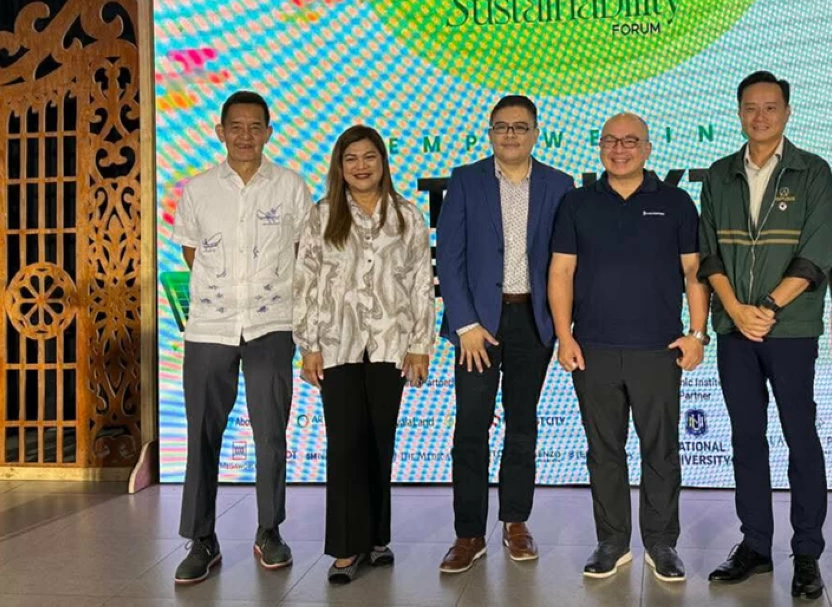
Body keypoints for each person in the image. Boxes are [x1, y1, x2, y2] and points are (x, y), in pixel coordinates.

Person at [549, 113, 709, 582]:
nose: (620, 149)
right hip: (593, 348)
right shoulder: (578, 203)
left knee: (660, 450)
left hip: (658, 349)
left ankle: (662, 544)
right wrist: (565, 336)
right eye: (610, 141)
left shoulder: (676, 202)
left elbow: (694, 272)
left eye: (630, 141)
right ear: (600, 147)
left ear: (647, 148)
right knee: (604, 451)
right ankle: (612, 542)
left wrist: (697, 334)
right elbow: (560, 272)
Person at [699, 71, 832, 601]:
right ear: (739, 112)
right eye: (751, 108)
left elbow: (818, 252)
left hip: (791, 327)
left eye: (771, 107)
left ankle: (807, 553)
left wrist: (767, 307)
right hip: (735, 329)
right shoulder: (718, 175)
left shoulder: (812, 173)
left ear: (787, 112)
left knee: (800, 438)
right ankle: (755, 545)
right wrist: (736, 309)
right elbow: (708, 252)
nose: (760, 117)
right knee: (746, 440)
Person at [170, 91, 313, 584]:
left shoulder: (291, 186)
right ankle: (201, 539)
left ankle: (269, 530)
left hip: (272, 325)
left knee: (271, 433)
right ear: (221, 132)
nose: (246, 135)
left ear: (269, 133)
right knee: (202, 434)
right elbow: (192, 252)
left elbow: (302, 251)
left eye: (256, 127)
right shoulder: (198, 189)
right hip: (210, 327)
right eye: (237, 126)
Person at [436, 95, 574, 574]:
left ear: (536, 132)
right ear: (489, 132)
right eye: (501, 127)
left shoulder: (560, 185)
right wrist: (466, 325)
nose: (510, 135)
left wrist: (561, 327)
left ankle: (515, 522)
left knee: (522, 425)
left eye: (520, 127)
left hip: (531, 323)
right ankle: (468, 532)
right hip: (477, 326)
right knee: (471, 427)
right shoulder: (466, 180)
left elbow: (566, 263)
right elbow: (448, 258)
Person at [293, 125, 435, 584]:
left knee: (380, 442)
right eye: (351, 158)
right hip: (337, 346)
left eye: (369, 157)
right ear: (339, 165)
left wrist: (419, 345)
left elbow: (419, 284)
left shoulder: (407, 216)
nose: (360, 166)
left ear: (382, 162)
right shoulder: (322, 215)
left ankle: (376, 538)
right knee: (346, 443)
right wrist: (308, 344)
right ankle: (345, 548)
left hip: (392, 346)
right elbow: (306, 283)